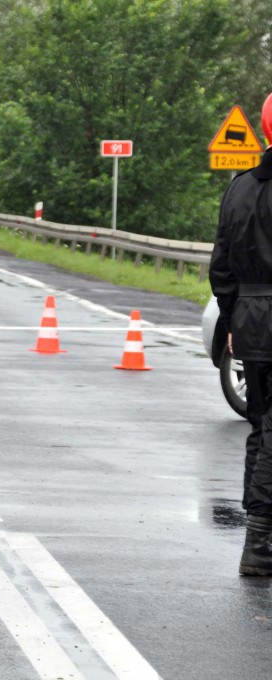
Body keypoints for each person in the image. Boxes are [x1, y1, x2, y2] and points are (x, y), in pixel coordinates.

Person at [210, 92, 272, 576]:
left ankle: (257, 543)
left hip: (250, 319)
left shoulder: (239, 189)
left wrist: (231, 320)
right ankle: (260, 543)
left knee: (261, 425)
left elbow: (222, 265)